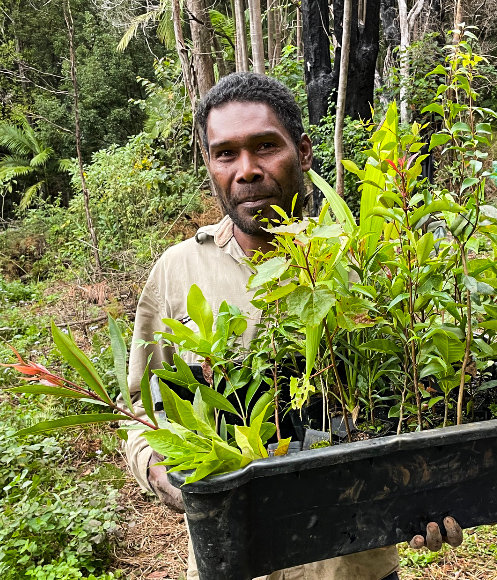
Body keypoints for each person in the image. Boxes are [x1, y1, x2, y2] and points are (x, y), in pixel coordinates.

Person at [123, 72, 462, 580]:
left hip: (353, 565)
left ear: (303, 152)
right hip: (234, 560)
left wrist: (435, 491)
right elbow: (141, 409)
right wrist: (156, 469)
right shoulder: (178, 272)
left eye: (265, 147)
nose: (247, 171)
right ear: (210, 165)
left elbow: (423, 403)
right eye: (225, 154)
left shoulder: (364, 266)